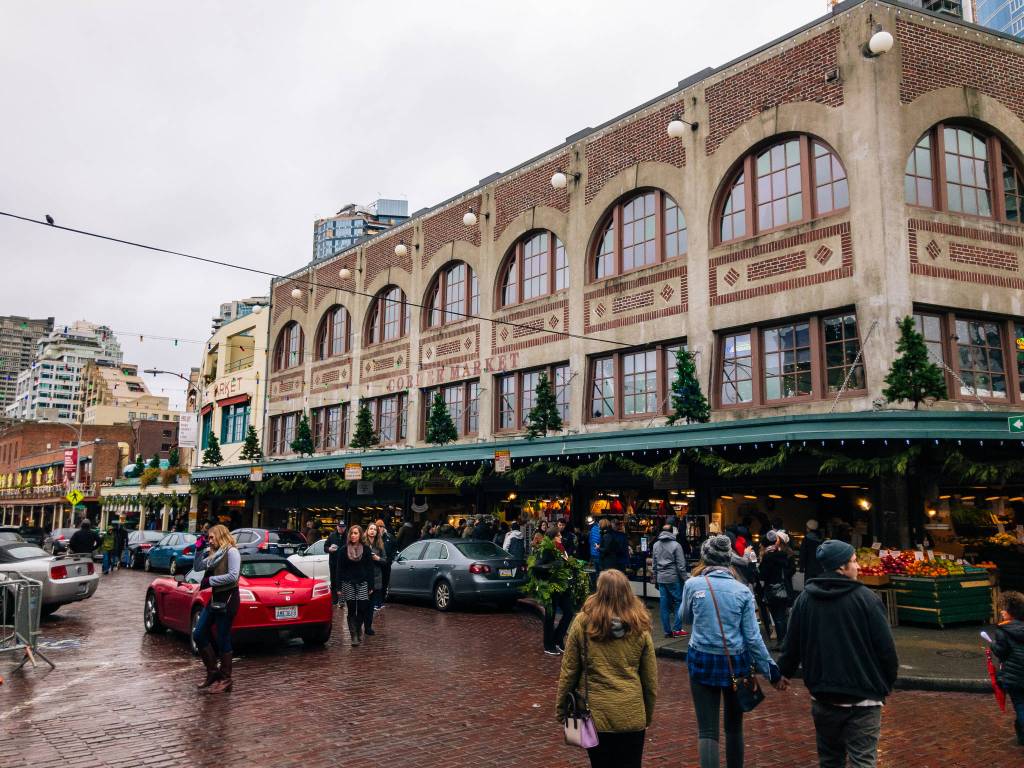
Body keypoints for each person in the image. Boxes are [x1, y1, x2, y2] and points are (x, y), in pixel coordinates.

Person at [778, 540, 898, 768]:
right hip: (864, 697)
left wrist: (784, 671)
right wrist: (886, 682)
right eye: (854, 561)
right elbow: (886, 649)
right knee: (863, 760)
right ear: (842, 567)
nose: (858, 566)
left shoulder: (805, 599)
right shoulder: (867, 599)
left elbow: (792, 642)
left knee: (830, 759)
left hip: (824, 694)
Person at [680, 535, 782, 768]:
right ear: (729, 560)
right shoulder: (742, 591)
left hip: (702, 658)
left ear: (705, 559)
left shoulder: (692, 585)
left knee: (707, 730)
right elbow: (753, 638)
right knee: (734, 727)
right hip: (736, 661)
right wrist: (771, 671)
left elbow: (685, 618)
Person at [555, 569, 657, 768]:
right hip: (631, 712)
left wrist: (561, 709)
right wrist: (647, 714)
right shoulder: (640, 624)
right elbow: (650, 678)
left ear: (599, 591)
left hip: (596, 714)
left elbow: (569, 670)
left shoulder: (583, 622)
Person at [192, 525, 241, 694]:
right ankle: (213, 672)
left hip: (229, 598)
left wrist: (211, 581)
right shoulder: (215, 554)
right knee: (199, 633)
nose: (209, 540)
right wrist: (198, 550)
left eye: (212, 537)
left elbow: (233, 576)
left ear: (220, 536)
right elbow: (198, 567)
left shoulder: (232, 552)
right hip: (215, 598)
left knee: (222, 637)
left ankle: (226, 679)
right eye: (208, 538)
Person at [993, 590, 1024, 746]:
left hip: (1013, 675)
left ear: (1011, 611)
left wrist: (992, 645)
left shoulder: (1003, 630)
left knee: (1020, 704)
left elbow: (1001, 652)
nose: (1001, 611)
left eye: (1004, 608)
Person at [337, 524, 374, 646]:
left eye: (356, 533)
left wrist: (371, 585)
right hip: (348, 583)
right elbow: (339, 569)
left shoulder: (366, 550)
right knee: (352, 609)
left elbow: (370, 569)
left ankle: (358, 629)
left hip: (363, 582)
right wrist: (338, 587)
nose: (353, 535)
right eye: (351, 533)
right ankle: (354, 636)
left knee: (362, 608)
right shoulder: (343, 550)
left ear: (360, 535)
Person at [759, 530, 796, 650]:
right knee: (782, 616)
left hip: (773, 589)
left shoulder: (768, 556)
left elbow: (763, 574)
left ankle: (782, 643)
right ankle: (784, 641)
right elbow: (791, 570)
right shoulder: (786, 555)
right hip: (784, 588)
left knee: (777, 617)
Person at [651, 524, 688, 639]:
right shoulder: (676, 545)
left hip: (661, 578)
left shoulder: (656, 545)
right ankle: (677, 629)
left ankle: (667, 631)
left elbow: (654, 564)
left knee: (664, 605)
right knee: (678, 602)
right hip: (673, 578)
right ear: (672, 532)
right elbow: (681, 566)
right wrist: (686, 579)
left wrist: (655, 577)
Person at [363, 522, 386, 635]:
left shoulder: (380, 545)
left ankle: (368, 627)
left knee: (371, 604)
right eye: (371, 529)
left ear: (377, 532)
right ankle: (359, 624)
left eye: (375, 529)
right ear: (367, 531)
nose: (372, 531)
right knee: (363, 603)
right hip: (364, 577)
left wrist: (377, 558)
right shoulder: (362, 544)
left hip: (375, 577)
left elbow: (385, 561)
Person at [325, 521, 347, 606]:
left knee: (343, 582)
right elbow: (325, 547)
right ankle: (334, 600)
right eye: (340, 527)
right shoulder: (332, 535)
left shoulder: (348, 536)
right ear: (337, 527)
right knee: (333, 581)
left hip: (344, 563)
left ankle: (341, 600)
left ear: (345, 527)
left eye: (343, 527)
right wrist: (329, 549)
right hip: (333, 562)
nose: (341, 528)